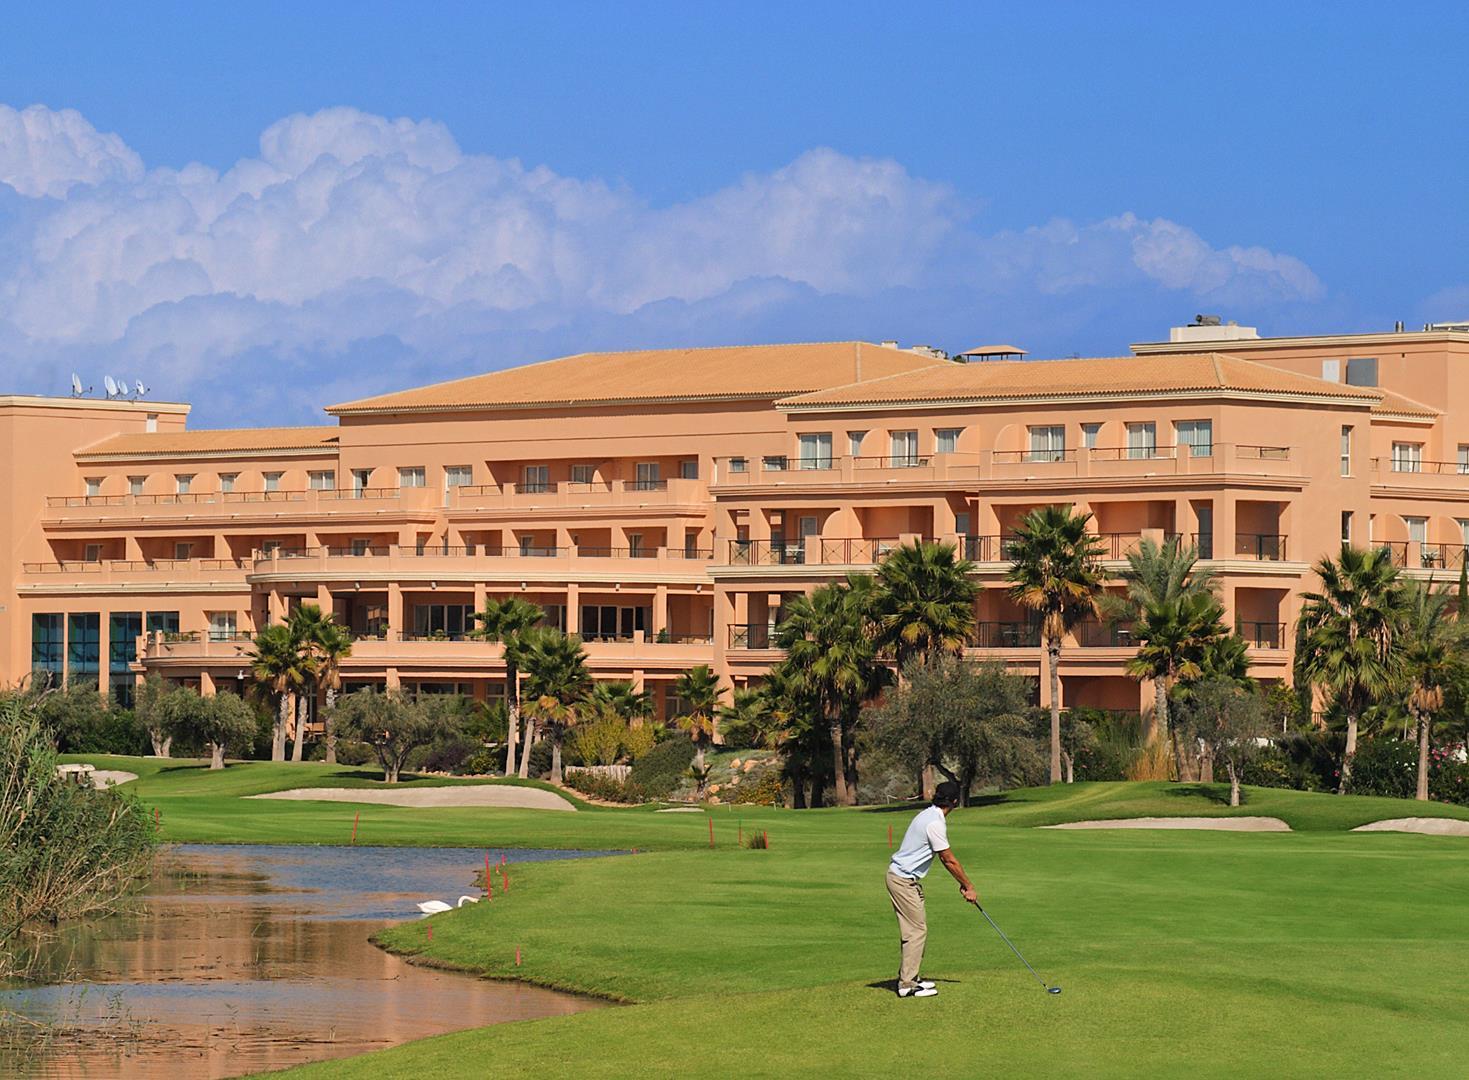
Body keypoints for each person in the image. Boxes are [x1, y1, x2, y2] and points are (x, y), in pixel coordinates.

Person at [884, 780, 977, 998]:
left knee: (917, 929)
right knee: (916, 931)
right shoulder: (934, 823)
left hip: (904, 878)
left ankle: (913, 977)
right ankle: (907, 984)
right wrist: (968, 886)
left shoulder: (927, 814)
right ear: (955, 802)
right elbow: (948, 859)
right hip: (902, 880)